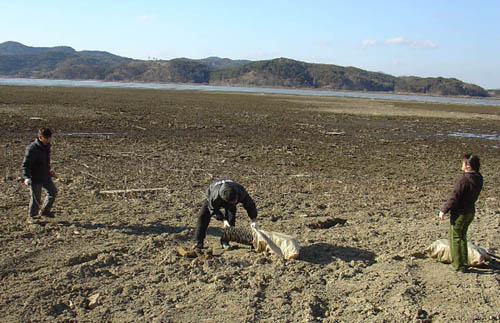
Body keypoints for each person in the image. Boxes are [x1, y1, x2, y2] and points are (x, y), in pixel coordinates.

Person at [439, 154, 483, 273]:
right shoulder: (478, 177)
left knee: (455, 238)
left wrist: (444, 210)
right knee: (462, 237)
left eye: (463, 163)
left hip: (460, 213)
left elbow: (454, 196)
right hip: (470, 212)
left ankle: (457, 266)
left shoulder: (463, 179)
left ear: (468, 166)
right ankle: (463, 262)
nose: (461, 165)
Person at [194, 179, 258, 250]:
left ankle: (225, 241)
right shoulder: (215, 197)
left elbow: (250, 205)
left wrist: (253, 219)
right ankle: (198, 242)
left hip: (230, 196)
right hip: (212, 196)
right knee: (203, 216)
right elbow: (213, 210)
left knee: (231, 219)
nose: (234, 202)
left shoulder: (241, 191)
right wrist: (223, 220)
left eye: (235, 201)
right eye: (232, 202)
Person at [21, 127, 58, 223]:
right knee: (36, 198)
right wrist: (27, 177)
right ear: (40, 137)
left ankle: (45, 211)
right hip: (35, 178)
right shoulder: (32, 149)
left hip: (45, 176)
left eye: (49, 138)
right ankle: (32, 216)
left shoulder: (47, 146)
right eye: (46, 138)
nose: (48, 140)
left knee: (53, 192)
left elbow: (45, 161)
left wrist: (49, 170)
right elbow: (26, 165)